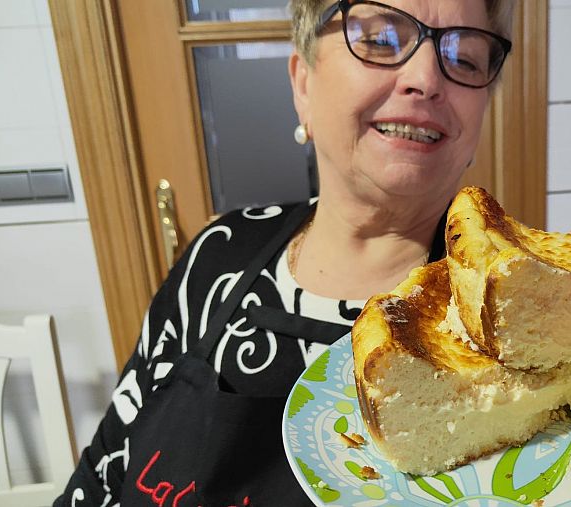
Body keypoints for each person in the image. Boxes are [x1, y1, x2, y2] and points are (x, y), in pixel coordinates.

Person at [54, 0, 515, 504]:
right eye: (381, 40)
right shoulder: (218, 257)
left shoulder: (506, 319)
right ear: (303, 83)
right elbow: (104, 473)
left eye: (466, 58)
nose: (426, 78)